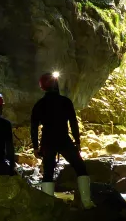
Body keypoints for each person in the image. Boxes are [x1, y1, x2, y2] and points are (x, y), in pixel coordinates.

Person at [31, 73, 95, 208]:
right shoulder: (65, 102)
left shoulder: (40, 105)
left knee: (48, 172)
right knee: (80, 168)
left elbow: (34, 127)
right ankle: (86, 202)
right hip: (63, 139)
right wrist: (77, 141)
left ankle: (48, 205)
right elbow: (73, 123)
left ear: (42, 87)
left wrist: (36, 147)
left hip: (47, 141)